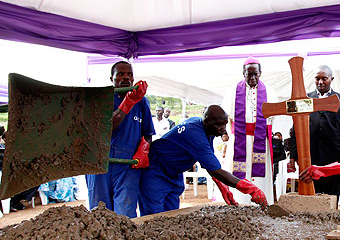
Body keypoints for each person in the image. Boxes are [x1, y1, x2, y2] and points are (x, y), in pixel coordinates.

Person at [138, 105, 268, 216]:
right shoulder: (195, 134)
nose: (223, 128)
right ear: (206, 121)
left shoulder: (204, 129)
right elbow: (215, 170)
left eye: (224, 124)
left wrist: (222, 185)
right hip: (156, 170)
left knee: (170, 215)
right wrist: (250, 189)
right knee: (153, 216)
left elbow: (208, 162)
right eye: (218, 124)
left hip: (174, 173)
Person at [85, 61, 154, 218]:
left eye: (129, 75)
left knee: (126, 213)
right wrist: (127, 102)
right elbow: (107, 127)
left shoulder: (142, 101)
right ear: (112, 78)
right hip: (100, 164)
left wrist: (144, 149)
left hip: (127, 165)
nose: (126, 78)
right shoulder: (102, 98)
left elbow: (148, 134)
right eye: (120, 74)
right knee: (100, 212)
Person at [289, 64, 340, 200]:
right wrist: (293, 156)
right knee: (311, 197)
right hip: (309, 157)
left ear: (332, 79)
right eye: (317, 79)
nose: (320, 82)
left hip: (334, 158)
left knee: (331, 196)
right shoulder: (305, 99)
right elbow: (295, 130)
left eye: (324, 79)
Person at [221, 56, 277, 205]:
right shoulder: (233, 91)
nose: (252, 77)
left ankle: (261, 202)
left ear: (261, 73)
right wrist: (227, 133)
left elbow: (273, 118)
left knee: (259, 174)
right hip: (239, 140)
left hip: (260, 140)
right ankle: (239, 202)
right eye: (249, 74)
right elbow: (225, 115)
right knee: (238, 171)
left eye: (255, 74)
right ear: (243, 73)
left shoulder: (269, 91)